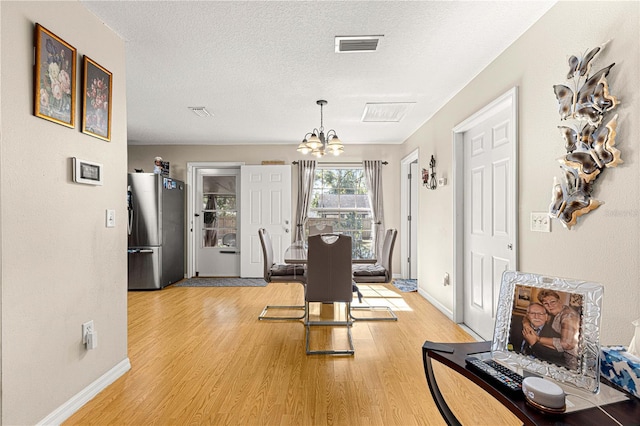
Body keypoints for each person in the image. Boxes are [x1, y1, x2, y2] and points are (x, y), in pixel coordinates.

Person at [509, 303, 566, 367]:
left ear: (546, 317)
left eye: (540, 314)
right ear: (527, 315)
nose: (536, 316)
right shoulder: (516, 327)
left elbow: (554, 360)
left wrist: (534, 344)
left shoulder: (555, 336)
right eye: (533, 313)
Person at [536, 289, 581, 370]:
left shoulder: (568, 316)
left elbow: (567, 344)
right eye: (545, 303)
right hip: (563, 356)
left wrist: (538, 339)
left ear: (559, 301)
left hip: (575, 360)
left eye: (553, 302)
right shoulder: (556, 313)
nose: (550, 305)